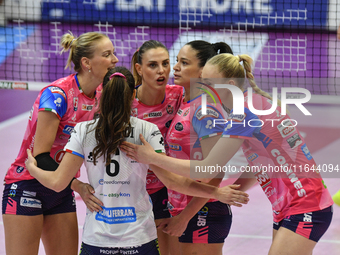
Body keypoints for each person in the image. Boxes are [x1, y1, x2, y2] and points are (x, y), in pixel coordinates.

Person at [121, 53, 334, 255]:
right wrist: (232, 192)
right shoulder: (257, 102)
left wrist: (152, 158)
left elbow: (208, 167)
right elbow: (264, 161)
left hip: (306, 206)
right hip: (291, 206)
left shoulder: (244, 114)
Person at [24, 66, 250, 255]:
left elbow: (57, 183)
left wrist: (33, 168)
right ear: (133, 96)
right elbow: (172, 182)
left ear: (102, 92)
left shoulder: (84, 130)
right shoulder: (148, 130)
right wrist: (216, 193)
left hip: (98, 239)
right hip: (140, 236)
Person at [2, 31, 118, 255]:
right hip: (29, 184)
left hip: (61, 189)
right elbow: (41, 158)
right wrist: (78, 186)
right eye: (107, 54)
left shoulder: (103, 95)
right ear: (86, 63)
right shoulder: (56, 95)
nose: (115, 59)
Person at [155, 40, 235, 255]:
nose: (176, 67)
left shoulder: (206, 111)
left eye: (184, 62)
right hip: (184, 208)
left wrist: (185, 217)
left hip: (203, 211)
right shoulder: (185, 103)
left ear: (202, 72)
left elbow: (216, 172)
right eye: (177, 61)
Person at [131, 39, 184, 255]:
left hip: (165, 189)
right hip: (131, 189)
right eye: (153, 65)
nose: (161, 71)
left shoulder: (178, 95)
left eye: (165, 63)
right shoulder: (126, 102)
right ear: (139, 69)